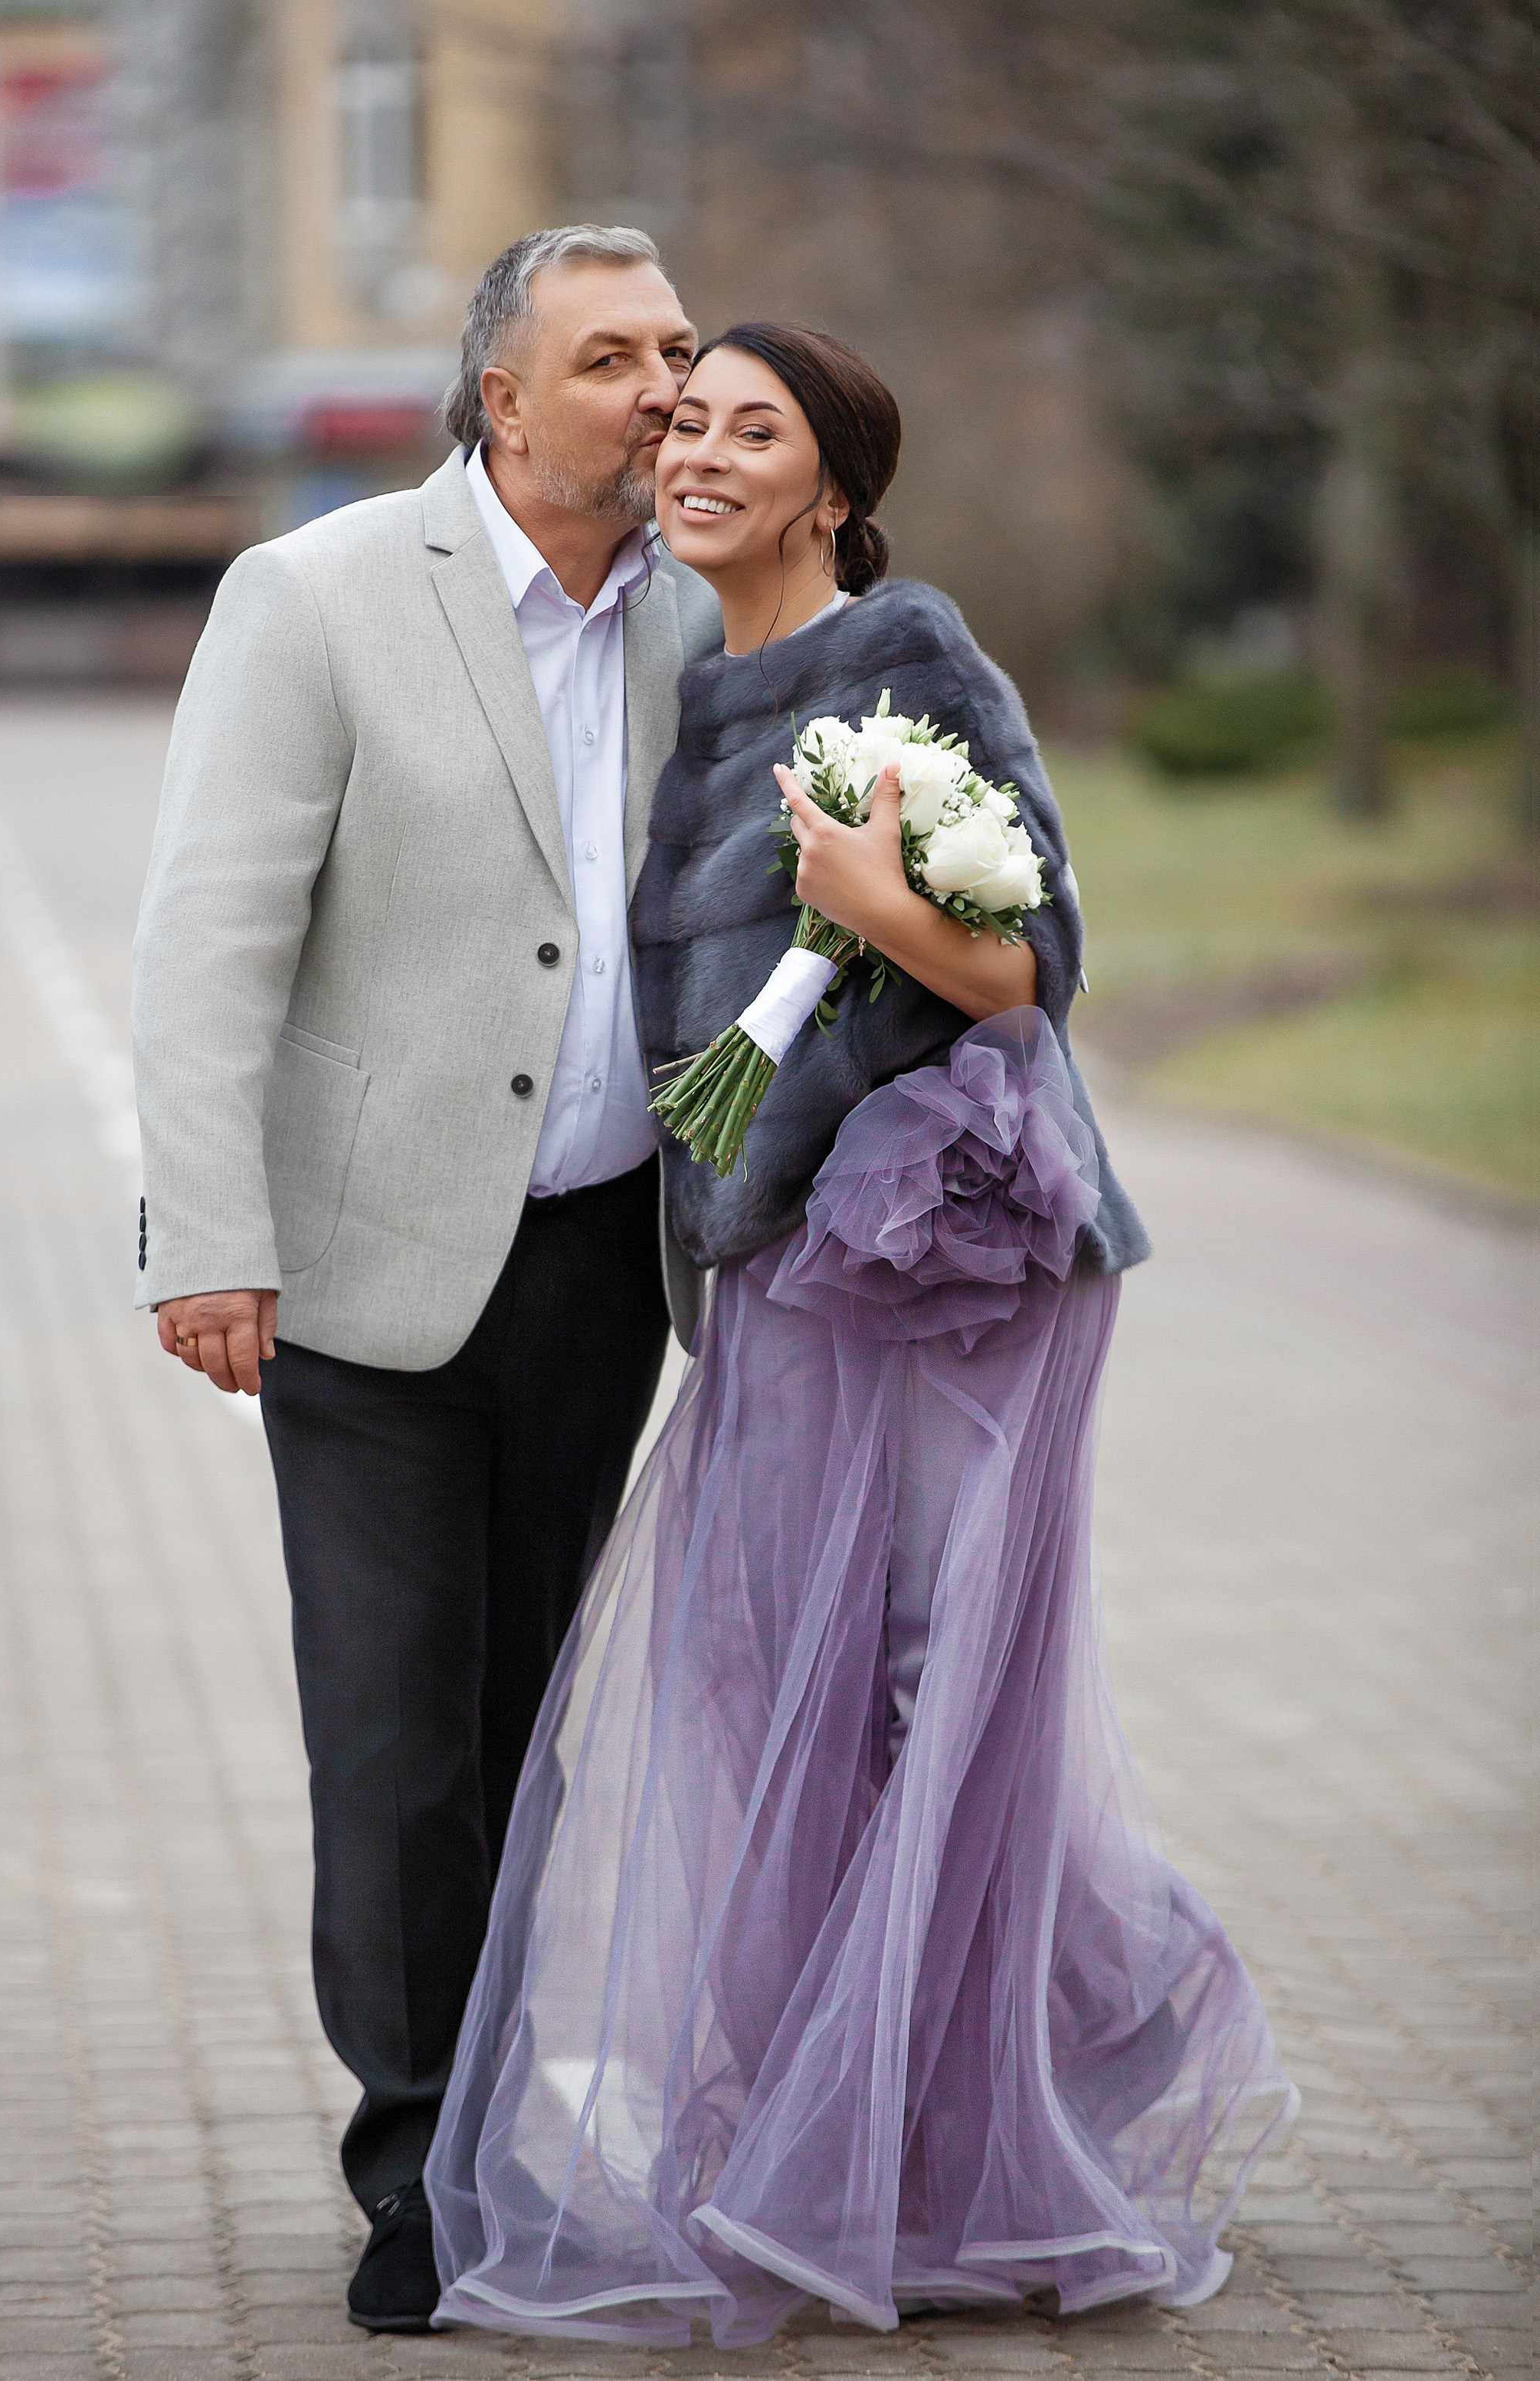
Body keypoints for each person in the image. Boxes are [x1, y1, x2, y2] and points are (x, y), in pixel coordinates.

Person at [426, 326, 1298, 2346]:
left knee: (915, 1685)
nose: (707, 454)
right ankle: (990, 2054)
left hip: (945, 1261)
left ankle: (972, 2132)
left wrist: (870, 897)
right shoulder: (700, 691)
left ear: (830, 486)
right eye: (691, 426)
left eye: (760, 432)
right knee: (764, 1686)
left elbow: (1032, 966)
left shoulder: (914, 657)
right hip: (768, 1277)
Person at [129, 225, 721, 2333]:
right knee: (394, 1735)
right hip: (366, 1271)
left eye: (678, 347)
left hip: (599, 1265)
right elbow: (210, 936)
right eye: (614, 357)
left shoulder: (707, 619)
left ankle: (502, 2123)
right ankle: (417, 2164)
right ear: (505, 401)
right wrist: (206, 1232)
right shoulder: (317, 594)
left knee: (524, 1719)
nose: (664, 386)